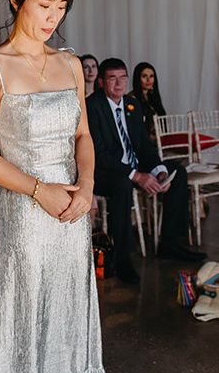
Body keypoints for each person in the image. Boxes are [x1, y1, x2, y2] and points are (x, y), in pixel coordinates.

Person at [0, 0, 109, 373]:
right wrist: (36, 190)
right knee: (26, 316)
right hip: (25, 211)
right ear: (15, 0)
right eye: (44, 4)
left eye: (62, 6)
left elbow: (83, 135)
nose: (54, 16)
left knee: (70, 310)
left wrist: (84, 186)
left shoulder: (68, 64)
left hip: (71, 209)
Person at [87, 58, 205, 285]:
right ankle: (121, 259)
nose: (119, 84)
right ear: (102, 82)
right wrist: (137, 176)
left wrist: (158, 170)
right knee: (122, 183)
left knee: (177, 174)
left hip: (130, 167)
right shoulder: (93, 106)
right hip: (103, 172)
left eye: (123, 77)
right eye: (113, 78)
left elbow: (143, 145)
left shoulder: (132, 104)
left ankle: (169, 243)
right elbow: (98, 153)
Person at [128, 61, 166, 142]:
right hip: (142, 142)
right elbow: (133, 127)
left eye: (151, 76)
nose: (149, 80)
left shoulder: (153, 96)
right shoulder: (131, 98)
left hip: (158, 140)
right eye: (144, 76)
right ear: (138, 78)